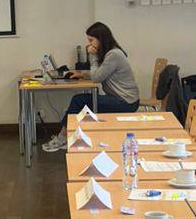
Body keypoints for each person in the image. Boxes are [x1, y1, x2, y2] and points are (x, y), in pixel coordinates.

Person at [42, 22, 140, 153]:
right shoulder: (111, 53)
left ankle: (63, 138)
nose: (89, 44)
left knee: (79, 100)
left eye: (91, 40)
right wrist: (82, 74)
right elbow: (101, 73)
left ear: (101, 39)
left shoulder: (113, 54)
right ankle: (71, 136)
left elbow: (96, 77)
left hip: (126, 102)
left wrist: (92, 56)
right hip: (121, 99)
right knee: (81, 101)